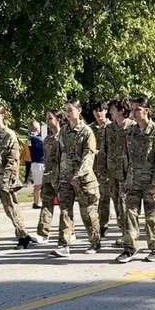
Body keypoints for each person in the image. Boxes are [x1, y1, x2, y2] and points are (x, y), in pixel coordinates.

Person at [115, 94, 155, 264]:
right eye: (132, 109)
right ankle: (130, 247)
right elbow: (126, 156)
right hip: (133, 181)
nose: (134, 112)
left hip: (152, 183)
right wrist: (125, 179)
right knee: (129, 214)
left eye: (137, 109)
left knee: (152, 216)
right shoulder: (130, 131)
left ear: (147, 111)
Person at [50, 98, 100, 258]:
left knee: (87, 212)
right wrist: (56, 175)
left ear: (79, 111)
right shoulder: (63, 131)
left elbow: (88, 157)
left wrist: (79, 175)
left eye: (70, 110)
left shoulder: (87, 132)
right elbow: (59, 154)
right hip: (65, 178)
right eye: (65, 110)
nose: (67, 113)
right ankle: (64, 244)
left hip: (82, 179)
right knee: (65, 211)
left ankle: (94, 242)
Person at [0, 104, 34, 254]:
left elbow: (13, 161)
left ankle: (23, 236)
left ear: (3, 116)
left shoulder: (10, 135)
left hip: (4, 181)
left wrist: (7, 180)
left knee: (11, 209)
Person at [104, 98, 133, 247]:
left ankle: (129, 234)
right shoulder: (109, 129)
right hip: (113, 172)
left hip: (128, 172)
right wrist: (102, 170)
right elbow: (104, 150)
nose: (110, 112)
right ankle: (124, 232)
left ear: (121, 110)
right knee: (117, 203)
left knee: (126, 204)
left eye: (113, 109)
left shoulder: (132, 127)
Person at [36, 110, 62, 244]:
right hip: (48, 176)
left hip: (61, 176)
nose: (48, 121)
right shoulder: (46, 139)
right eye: (47, 118)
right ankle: (43, 232)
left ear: (58, 119)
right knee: (46, 204)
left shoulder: (63, 137)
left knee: (65, 206)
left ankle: (69, 232)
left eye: (50, 118)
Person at [90, 99, 112, 237]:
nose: (98, 113)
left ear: (106, 111)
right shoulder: (90, 128)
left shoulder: (111, 127)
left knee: (106, 197)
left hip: (109, 168)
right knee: (95, 198)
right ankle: (99, 224)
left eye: (101, 110)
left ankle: (104, 224)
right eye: (96, 111)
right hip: (93, 168)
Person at [29, 121, 44, 208]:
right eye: (37, 128)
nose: (38, 129)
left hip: (38, 163)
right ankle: (36, 203)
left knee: (40, 185)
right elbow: (43, 145)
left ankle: (38, 201)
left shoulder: (35, 138)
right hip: (38, 163)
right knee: (38, 185)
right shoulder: (34, 138)